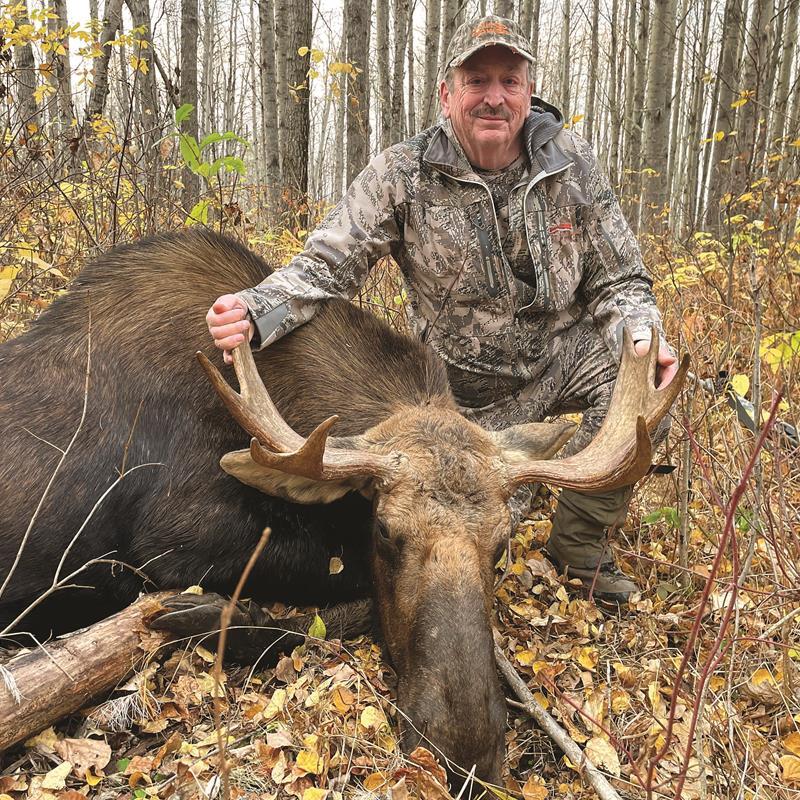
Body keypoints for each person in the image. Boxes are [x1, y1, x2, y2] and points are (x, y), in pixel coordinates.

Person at [206, 15, 678, 603]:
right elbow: (327, 266)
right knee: (459, 541)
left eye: (509, 81)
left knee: (644, 387)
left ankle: (578, 549)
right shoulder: (402, 173)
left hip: (561, 360)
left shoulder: (570, 164)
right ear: (446, 94)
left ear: (528, 91)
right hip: (458, 402)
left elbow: (620, 278)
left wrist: (642, 335)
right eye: (476, 80)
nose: (494, 97)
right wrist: (255, 310)